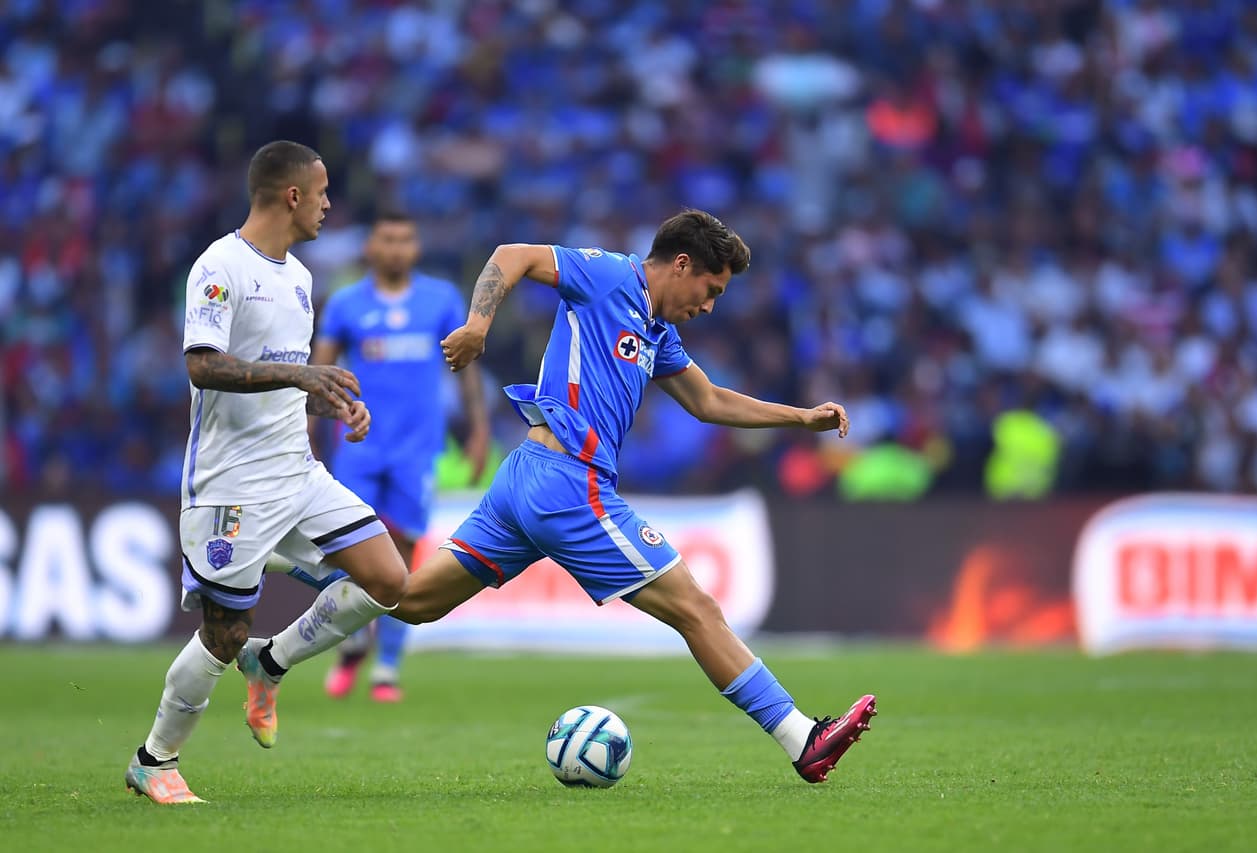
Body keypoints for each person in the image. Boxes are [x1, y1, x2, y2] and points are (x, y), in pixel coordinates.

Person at [291, 209, 877, 782]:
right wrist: (478, 327)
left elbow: (709, 402)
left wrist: (800, 418)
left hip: (526, 479)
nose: (710, 304)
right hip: (568, 483)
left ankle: (294, 557)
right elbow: (511, 256)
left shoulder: (656, 330)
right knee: (696, 610)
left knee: (412, 600)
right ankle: (804, 739)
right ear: (680, 264)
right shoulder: (610, 275)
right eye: (711, 287)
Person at [124, 140, 409, 804]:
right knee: (222, 633)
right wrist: (299, 372)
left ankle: (272, 659)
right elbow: (203, 364)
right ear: (292, 195)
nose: (329, 204)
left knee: (388, 578)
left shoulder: (301, 278)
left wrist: (331, 403)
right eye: (323, 191)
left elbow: (282, 381)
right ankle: (154, 759)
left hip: (297, 472)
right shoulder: (219, 267)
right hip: (231, 483)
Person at [311, 212, 490, 702]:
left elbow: (465, 367)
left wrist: (478, 429)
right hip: (358, 446)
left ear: (416, 248)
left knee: (407, 556)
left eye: (405, 240)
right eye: (386, 239)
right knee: (349, 550)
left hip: (417, 450)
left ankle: (386, 666)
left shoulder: (440, 300)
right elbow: (318, 372)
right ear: (371, 246)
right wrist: (306, 430)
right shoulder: (346, 303)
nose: (395, 248)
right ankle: (350, 642)